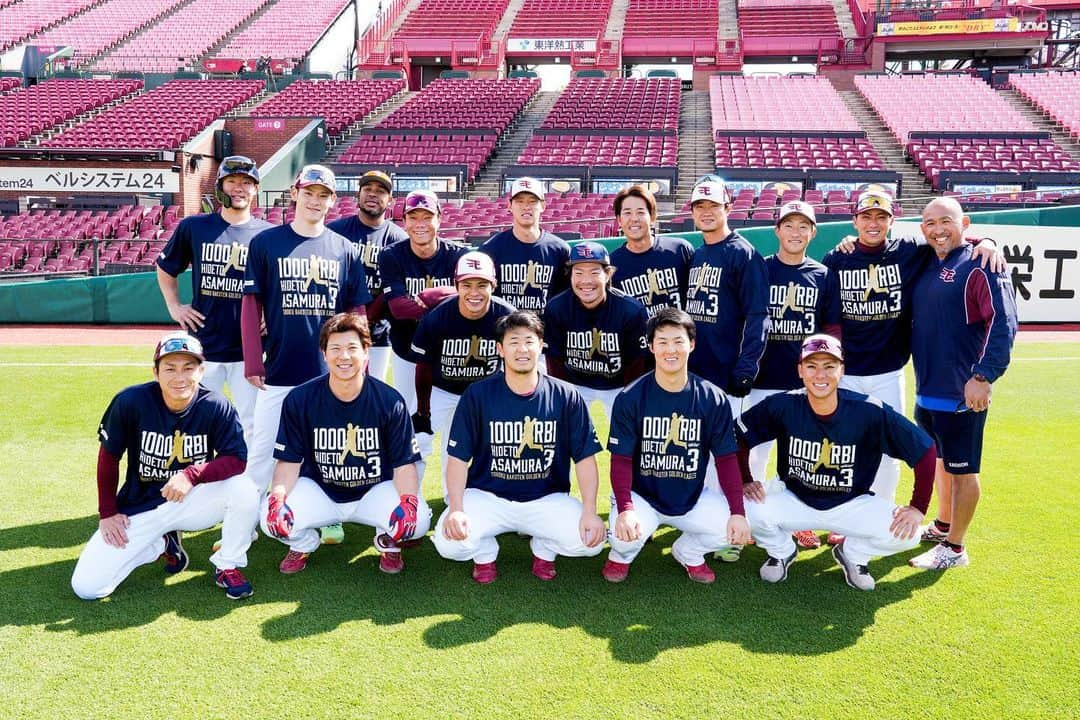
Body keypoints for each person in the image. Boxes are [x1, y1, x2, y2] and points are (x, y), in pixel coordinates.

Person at [821, 190, 1002, 540]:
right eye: (865, 217)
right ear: (854, 220)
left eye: (881, 217)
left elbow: (951, 240)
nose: (873, 223)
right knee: (843, 448)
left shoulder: (909, 253)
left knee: (888, 451)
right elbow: (828, 317)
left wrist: (989, 241)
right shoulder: (836, 258)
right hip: (846, 373)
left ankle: (877, 517)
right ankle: (843, 518)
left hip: (889, 372)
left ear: (892, 221)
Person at [737, 334, 938, 591]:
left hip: (850, 504)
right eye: (811, 366)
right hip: (793, 499)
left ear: (841, 370)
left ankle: (853, 554)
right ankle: (782, 551)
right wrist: (745, 479)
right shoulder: (784, 404)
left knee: (909, 535)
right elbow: (739, 436)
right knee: (741, 508)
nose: (820, 375)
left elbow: (925, 450)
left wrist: (917, 507)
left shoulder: (868, 410)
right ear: (800, 371)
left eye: (829, 366)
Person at [71, 332, 259, 600]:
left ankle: (227, 565)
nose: (179, 377)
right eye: (169, 368)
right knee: (88, 588)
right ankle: (159, 544)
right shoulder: (131, 401)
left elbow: (237, 459)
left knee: (245, 489)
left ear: (201, 371)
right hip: (141, 504)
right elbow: (109, 457)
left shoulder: (216, 406)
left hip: (191, 501)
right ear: (155, 371)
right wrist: (108, 512)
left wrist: (191, 475)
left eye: (188, 368)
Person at [242, 164, 371, 545]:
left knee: (322, 453)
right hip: (279, 368)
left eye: (324, 195)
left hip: (329, 374)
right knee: (262, 453)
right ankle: (243, 526)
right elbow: (251, 305)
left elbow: (357, 314)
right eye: (309, 192)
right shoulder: (267, 243)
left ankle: (322, 517)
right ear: (295, 193)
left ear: (333, 201)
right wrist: (253, 359)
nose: (315, 201)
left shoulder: (344, 249)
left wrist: (359, 363)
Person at [432, 311, 607, 583]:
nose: (522, 349)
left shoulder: (566, 395)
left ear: (541, 346)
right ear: (500, 349)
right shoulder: (478, 394)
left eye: (529, 341)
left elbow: (585, 459)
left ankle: (544, 547)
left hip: (546, 498)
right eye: (513, 342)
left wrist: (590, 511)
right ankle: (485, 552)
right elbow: (457, 459)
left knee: (591, 541)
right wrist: (456, 507)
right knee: (448, 543)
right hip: (488, 497)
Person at [262, 313, 430, 575]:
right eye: (335, 349)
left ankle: (389, 542)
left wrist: (407, 501)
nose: (344, 357)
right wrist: (277, 498)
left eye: (352, 348)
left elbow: (404, 463)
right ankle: (304, 543)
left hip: (373, 492)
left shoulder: (389, 401)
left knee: (418, 520)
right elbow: (289, 461)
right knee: (268, 518)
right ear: (324, 353)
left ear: (366, 352)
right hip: (322, 491)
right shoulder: (300, 399)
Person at [602, 308, 751, 584]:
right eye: (662, 342)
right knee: (622, 537)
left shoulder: (712, 398)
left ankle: (688, 552)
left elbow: (726, 459)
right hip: (643, 497)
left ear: (691, 344)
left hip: (691, 498)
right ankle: (621, 556)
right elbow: (620, 460)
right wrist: (625, 508)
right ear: (651, 346)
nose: (671, 349)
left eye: (678, 341)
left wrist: (738, 513)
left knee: (728, 528)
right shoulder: (631, 397)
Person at [907, 198, 1017, 570]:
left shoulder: (981, 264)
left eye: (946, 221)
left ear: (964, 222)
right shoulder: (926, 262)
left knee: (963, 469)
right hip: (928, 390)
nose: (938, 229)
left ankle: (955, 548)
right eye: (930, 223)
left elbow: (1003, 322)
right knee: (941, 462)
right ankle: (942, 525)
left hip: (961, 392)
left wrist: (984, 375)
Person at [156, 155, 273, 446]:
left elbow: (280, 284)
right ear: (221, 186)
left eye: (246, 182)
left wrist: (271, 314)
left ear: (255, 189)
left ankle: (250, 488)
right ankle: (194, 479)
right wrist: (174, 306)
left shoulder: (268, 235)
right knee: (195, 418)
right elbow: (165, 266)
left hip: (250, 349)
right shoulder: (195, 227)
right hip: (203, 345)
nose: (239, 188)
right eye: (232, 181)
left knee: (252, 422)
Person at [746, 200, 830, 550]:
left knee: (798, 458)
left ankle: (798, 521)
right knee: (754, 456)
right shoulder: (760, 270)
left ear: (813, 232)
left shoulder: (822, 275)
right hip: (762, 378)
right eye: (788, 225)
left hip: (803, 384)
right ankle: (749, 519)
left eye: (803, 226)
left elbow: (828, 330)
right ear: (776, 230)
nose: (795, 233)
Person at [378, 189, 468, 482]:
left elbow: (471, 298)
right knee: (410, 426)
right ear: (404, 222)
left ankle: (451, 492)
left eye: (427, 217)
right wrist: (449, 301)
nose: (420, 223)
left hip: (452, 356)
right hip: (407, 352)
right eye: (413, 217)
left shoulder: (460, 255)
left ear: (439, 220)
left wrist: (426, 297)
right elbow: (399, 309)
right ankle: (407, 491)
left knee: (457, 430)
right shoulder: (392, 255)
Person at [410, 251, 516, 491]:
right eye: (467, 285)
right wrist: (423, 411)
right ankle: (409, 500)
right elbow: (423, 366)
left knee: (484, 445)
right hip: (441, 389)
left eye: (482, 285)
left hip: (483, 392)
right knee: (418, 441)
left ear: (494, 285)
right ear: (456, 285)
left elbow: (518, 362)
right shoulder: (437, 317)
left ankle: (461, 498)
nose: (474, 292)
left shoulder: (507, 316)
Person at [542, 241, 649, 426]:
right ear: (570, 276)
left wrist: (628, 397)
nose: (586, 281)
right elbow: (554, 360)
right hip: (576, 383)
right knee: (561, 435)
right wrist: (565, 396)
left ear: (608, 274)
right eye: (578, 273)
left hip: (618, 385)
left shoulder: (630, 310)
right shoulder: (557, 308)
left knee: (631, 438)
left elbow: (637, 362)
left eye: (594, 272)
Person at [684, 179, 769, 410]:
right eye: (700, 206)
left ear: (728, 208)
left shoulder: (744, 254)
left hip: (727, 375)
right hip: (694, 372)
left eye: (713, 205)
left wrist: (746, 367)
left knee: (730, 446)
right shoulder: (698, 254)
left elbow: (758, 316)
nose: (706, 212)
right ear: (691, 212)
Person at [327, 169, 408, 381]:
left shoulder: (398, 239)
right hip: (334, 327)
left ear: (390, 200)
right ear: (358, 194)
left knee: (372, 389)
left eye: (380, 191)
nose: (372, 194)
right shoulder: (335, 231)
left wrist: (369, 317)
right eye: (367, 189)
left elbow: (397, 289)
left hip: (378, 333)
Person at [479, 177, 570, 314]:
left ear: (543, 206)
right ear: (509, 206)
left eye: (532, 201)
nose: (526, 206)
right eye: (519, 201)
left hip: (544, 331)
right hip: (503, 330)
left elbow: (565, 299)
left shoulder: (560, 250)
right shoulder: (490, 249)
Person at [609, 184, 694, 318]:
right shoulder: (612, 265)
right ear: (619, 220)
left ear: (653, 217)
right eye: (627, 213)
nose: (634, 219)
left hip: (679, 337)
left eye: (640, 212)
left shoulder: (679, 250)